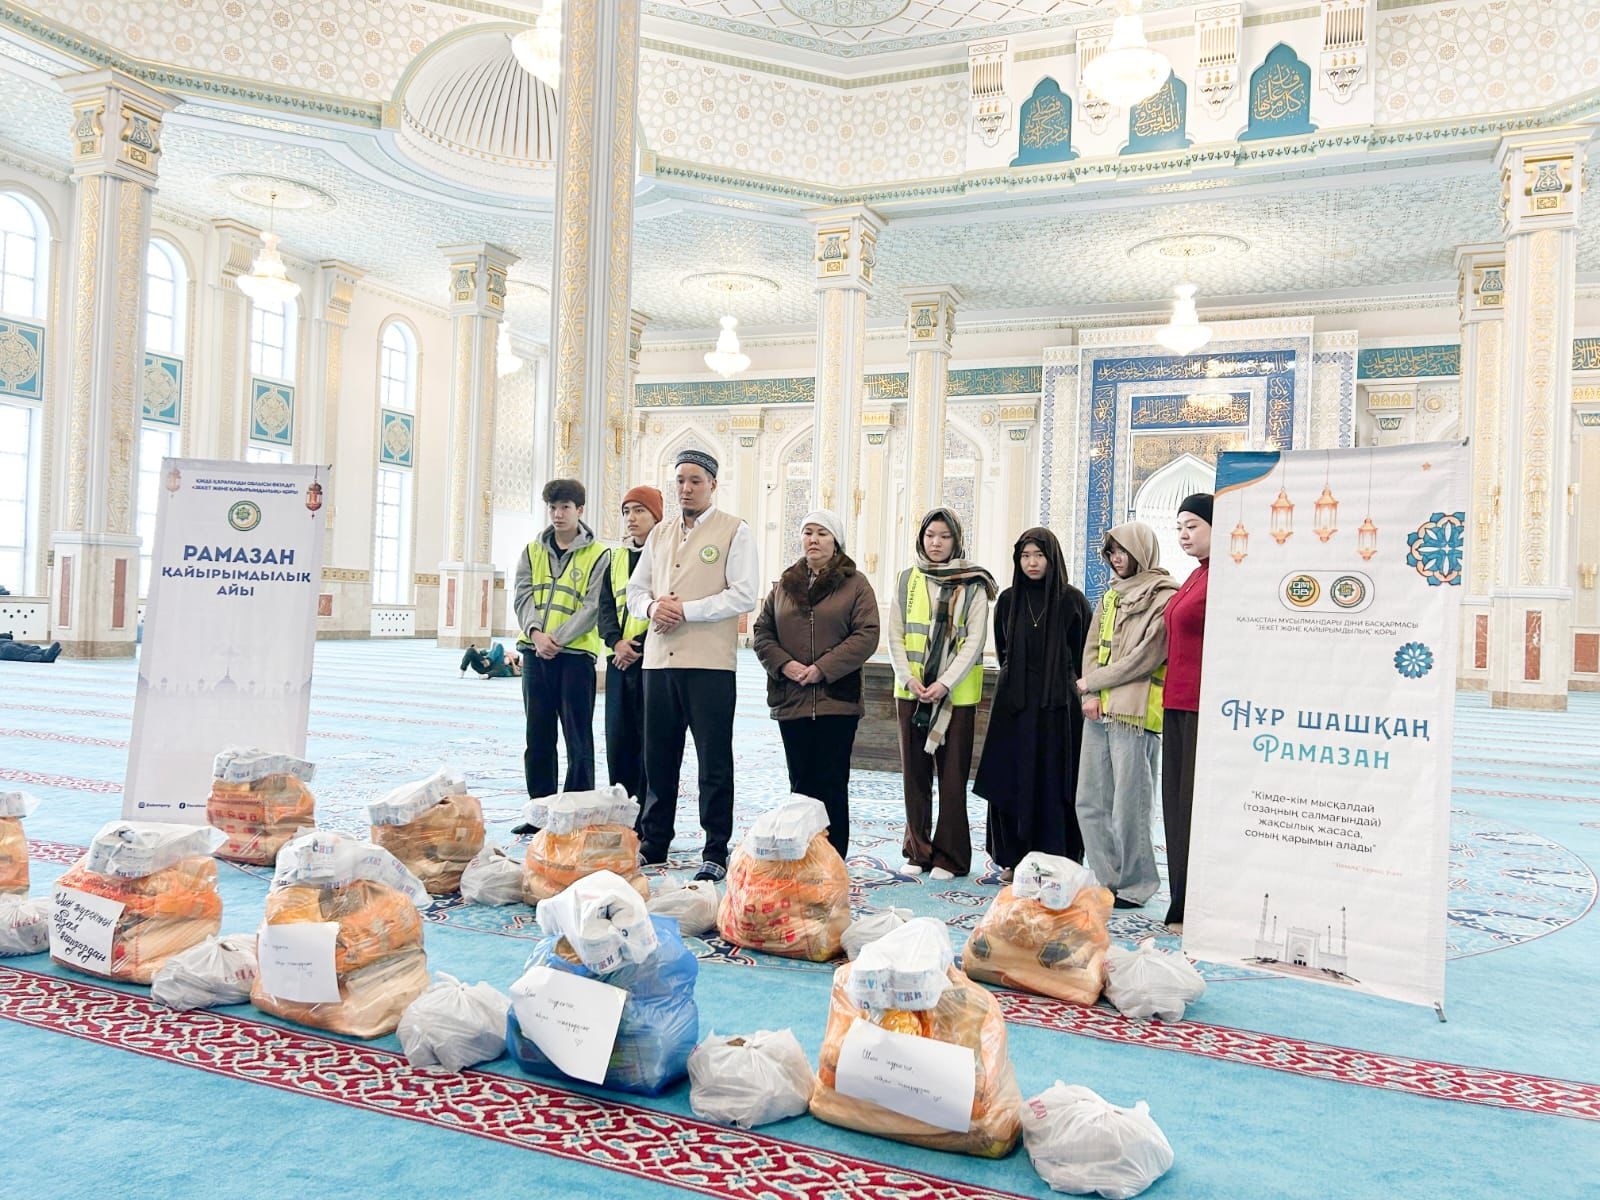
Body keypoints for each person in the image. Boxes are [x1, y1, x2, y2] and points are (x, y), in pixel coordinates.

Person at [627, 449, 760, 882]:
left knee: (713, 762)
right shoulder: (660, 533)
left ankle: (715, 848)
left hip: (710, 667)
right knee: (658, 758)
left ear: (713, 485)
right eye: (680, 481)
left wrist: (688, 610)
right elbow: (636, 591)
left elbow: (743, 595)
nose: (686, 488)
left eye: (695, 481)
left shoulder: (734, 531)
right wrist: (651, 610)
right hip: (658, 664)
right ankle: (654, 841)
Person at [752, 509, 880, 860]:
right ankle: (803, 860)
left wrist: (822, 668)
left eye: (822, 533)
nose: (813, 539)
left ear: (836, 541)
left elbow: (867, 634)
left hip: (836, 700)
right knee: (801, 787)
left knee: (832, 786)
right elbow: (762, 632)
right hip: (791, 699)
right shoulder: (784, 585)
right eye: (808, 532)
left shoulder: (855, 584)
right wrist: (785, 665)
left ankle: (833, 861)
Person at [974, 528, 1092, 882]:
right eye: (1025, 556)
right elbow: (1003, 649)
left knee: (1055, 781)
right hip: (1016, 706)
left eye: (1038, 555)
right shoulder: (1009, 600)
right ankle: (1013, 858)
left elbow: (1083, 655)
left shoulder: (1072, 601)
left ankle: (1058, 857)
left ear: (1051, 557)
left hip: (1059, 710)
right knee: (1013, 779)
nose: (1032, 562)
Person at [888, 507, 996, 880]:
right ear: (921, 538)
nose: (936, 543)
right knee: (914, 776)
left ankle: (950, 855)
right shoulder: (907, 579)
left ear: (957, 540)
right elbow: (896, 635)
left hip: (956, 696)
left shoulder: (975, 584)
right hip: (912, 692)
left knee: (952, 778)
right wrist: (908, 678)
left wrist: (944, 682)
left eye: (944, 536)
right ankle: (917, 849)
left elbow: (975, 640)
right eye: (930, 535)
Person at [1074, 522, 1177, 910]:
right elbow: (1091, 645)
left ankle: (1137, 884)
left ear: (1142, 552)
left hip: (1134, 712)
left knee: (1129, 805)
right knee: (1089, 800)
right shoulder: (1112, 596)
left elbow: (1146, 657)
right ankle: (1109, 879)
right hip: (1098, 708)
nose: (1116, 558)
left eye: (1123, 551)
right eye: (1111, 552)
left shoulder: (1164, 596)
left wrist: (1092, 682)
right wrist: (1092, 690)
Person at [513, 478, 609, 823]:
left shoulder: (600, 555)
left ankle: (576, 810)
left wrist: (559, 639)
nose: (558, 514)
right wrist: (536, 634)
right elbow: (523, 596)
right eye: (553, 507)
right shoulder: (532, 551)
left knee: (577, 736)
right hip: (534, 654)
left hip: (575, 658)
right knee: (537, 736)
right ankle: (539, 811)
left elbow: (592, 606)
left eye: (565, 507)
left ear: (579, 510)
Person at [1161, 493, 1213, 934]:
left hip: (1204, 706)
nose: (1184, 534)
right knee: (1175, 807)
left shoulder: (1226, 579)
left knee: (1193, 808)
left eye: (1193, 525)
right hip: (1176, 704)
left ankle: (1194, 906)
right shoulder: (1195, 576)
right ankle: (1180, 902)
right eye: (1180, 526)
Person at [596, 484, 662, 805]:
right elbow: (605, 606)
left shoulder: (667, 556)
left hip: (652, 661)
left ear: (656, 516)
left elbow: (666, 607)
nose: (631, 518)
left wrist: (634, 646)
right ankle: (621, 807)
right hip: (618, 661)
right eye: (626, 511)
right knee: (618, 738)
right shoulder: (616, 558)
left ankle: (648, 815)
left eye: (639, 511)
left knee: (649, 741)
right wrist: (615, 643)